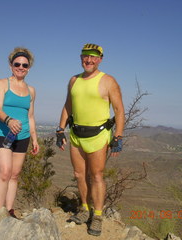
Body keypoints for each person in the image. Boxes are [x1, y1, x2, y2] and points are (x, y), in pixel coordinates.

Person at [56, 43, 125, 236]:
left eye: (94, 57)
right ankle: (85, 209)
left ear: (100, 59)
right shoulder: (73, 80)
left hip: (98, 135)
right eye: (85, 56)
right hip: (76, 135)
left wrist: (118, 137)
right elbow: (68, 105)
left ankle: (98, 216)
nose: (89, 60)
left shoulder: (108, 81)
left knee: (96, 176)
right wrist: (60, 129)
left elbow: (119, 110)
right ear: (80, 58)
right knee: (79, 175)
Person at [0, 47, 39, 218]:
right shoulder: (2, 83)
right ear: (11, 65)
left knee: (14, 174)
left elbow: (31, 116)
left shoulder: (31, 90)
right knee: (5, 171)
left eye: (24, 65)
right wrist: (9, 121)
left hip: (23, 135)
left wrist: (34, 139)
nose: (21, 67)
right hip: (2, 132)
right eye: (17, 64)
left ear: (29, 68)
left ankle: (10, 210)